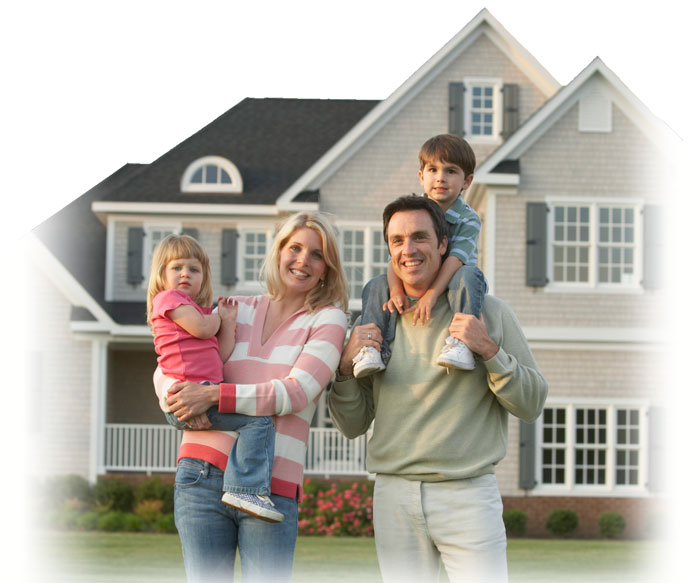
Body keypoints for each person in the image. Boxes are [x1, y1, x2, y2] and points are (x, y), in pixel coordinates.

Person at [329, 195, 548, 583]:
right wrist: (345, 367)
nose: (408, 250)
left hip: (467, 495)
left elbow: (531, 403)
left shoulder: (489, 312)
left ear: (444, 244)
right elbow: (352, 425)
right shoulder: (376, 318)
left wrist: (488, 350)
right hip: (394, 494)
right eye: (397, 241)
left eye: (419, 237)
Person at [153, 213, 349, 583]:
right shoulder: (234, 308)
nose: (303, 260)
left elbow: (296, 392)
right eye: (294, 248)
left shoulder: (329, 320)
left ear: (327, 268)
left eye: (317, 254)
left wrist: (211, 395)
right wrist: (177, 399)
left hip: (270, 485)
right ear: (278, 252)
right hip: (199, 475)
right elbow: (167, 365)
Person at [147, 233, 283, 523]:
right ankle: (245, 487)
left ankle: (240, 485)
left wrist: (229, 322)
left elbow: (220, 357)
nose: (186, 274)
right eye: (177, 267)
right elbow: (202, 328)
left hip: (203, 391)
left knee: (255, 422)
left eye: (194, 269)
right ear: (161, 275)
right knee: (259, 421)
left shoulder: (195, 310)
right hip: (186, 396)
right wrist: (218, 318)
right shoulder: (169, 299)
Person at [352, 134, 488, 378]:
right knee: (376, 285)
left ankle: (462, 343)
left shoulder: (469, 219)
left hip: (457, 282)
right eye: (433, 169)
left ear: (467, 181)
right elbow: (397, 259)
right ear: (421, 176)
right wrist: (395, 291)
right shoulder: (414, 211)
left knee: (469, 274)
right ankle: (372, 348)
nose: (440, 178)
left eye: (450, 171)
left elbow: (455, 260)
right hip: (418, 279)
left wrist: (431, 294)